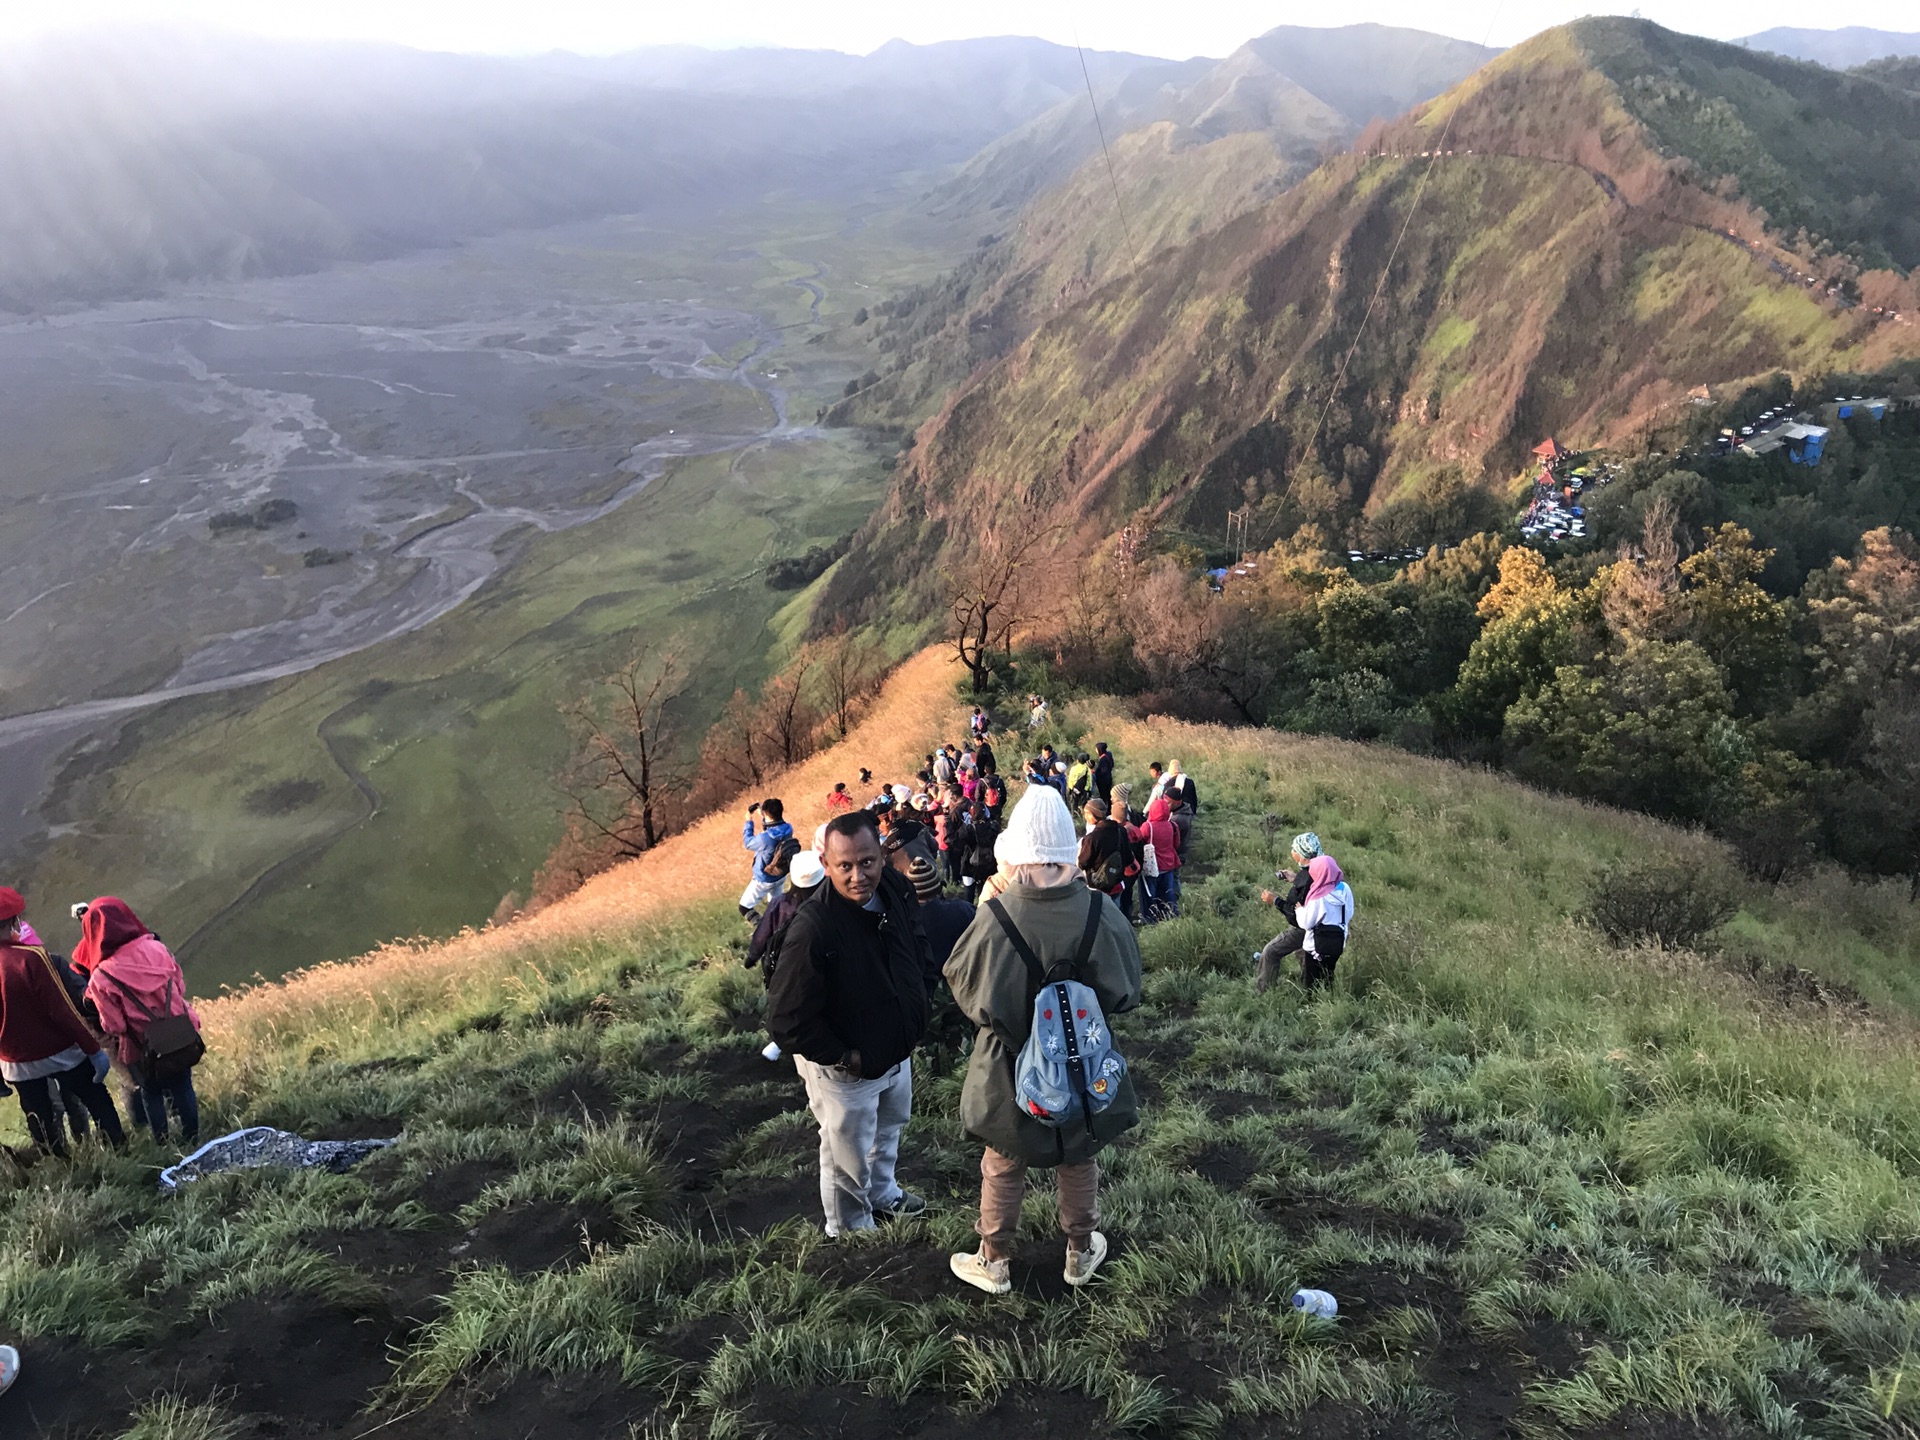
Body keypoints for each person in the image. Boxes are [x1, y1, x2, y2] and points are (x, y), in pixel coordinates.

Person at [944, 787, 1143, 1293]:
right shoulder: (1100, 911)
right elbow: (1124, 992)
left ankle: (994, 1261)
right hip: (1083, 1062)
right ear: (1069, 850)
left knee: (1002, 1162)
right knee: (1079, 1156)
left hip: (1009, 1068)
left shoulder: (995, 915)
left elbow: (969, 993)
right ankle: (1079, 1252)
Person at [766, 811, 932, 1236]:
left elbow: (916, 941)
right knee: (846, 1152)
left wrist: (920, 1001)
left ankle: (883, 1193)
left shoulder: (893, 887)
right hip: (848, 1068)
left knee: (890, 1127)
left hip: (895, 1047)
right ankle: (850, 1227)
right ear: (826, 866)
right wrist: (845, 1056)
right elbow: (785, 1021)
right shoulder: (814, 928)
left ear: (881, 855)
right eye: (845, 866)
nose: (858, 875)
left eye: (867, 862)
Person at [0, 888, 124, 1157]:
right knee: (96, 1097)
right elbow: (62, 1010)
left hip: (14, 1061)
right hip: (57, 1051)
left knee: (38, 1113)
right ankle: (119, 1148)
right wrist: (93, 1050)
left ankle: (59, 1161)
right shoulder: (32, 958)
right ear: (14, 922)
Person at [78, 898, 201, 1145]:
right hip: (179, 1033)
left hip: (141, 1047)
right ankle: (193, 1139)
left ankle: (163, 1144)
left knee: (151, 1093)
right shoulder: (157, 948)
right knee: (183, 1087)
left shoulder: (102, 976)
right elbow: (180, 986)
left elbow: (115, 1027)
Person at [1255, 833, 1322, 992]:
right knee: (1305, 955)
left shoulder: (1308, 877)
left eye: (1294, 848)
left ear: (1301, 854)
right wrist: (1295, 878)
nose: (1292, 851)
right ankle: (1311, 991)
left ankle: (1263, 993)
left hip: (1304, 927)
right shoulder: (1319, 869)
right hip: (1319, 926)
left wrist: (1275, 900)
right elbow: (1307, 885)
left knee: (1271, 952)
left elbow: (1296, 914)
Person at [906, 856, 973, 976]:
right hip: (962, 972)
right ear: (939, 888)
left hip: (926, 978)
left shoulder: (905, 921)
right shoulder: (963, 909)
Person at [1295, 855, 1355, 990]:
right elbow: (1349, 913)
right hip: (1338, 942)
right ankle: (1328, 1002)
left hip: (1315, 946)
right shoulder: (1345, 889)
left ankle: (1310, 1006)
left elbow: (1306, 923)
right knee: (1328, 974)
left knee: (1312, 979)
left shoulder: (1318, 896)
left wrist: (1300, 910)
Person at [1128, 796, 1183, 920]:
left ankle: (1149, 918)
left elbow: (1138, 840)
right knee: (1167, 893)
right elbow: (1177, 844)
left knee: (1148, 894)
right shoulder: (1172, 825)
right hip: (1168, 865)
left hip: (1152, 865)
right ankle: (1169, 915)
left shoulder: (1148, 827)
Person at [740, 798, 795, 919]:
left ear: (766, 813)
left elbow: (748, 843)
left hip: (764, 879)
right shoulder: (788, 828)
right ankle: (779, 927)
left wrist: (749, 821)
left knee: (744, 907)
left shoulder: (765, 838)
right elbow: (774, 829)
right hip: (780, 874)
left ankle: (763, 929)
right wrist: (764, 817)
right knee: (774, 906)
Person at [1078, 799, 1134, 901]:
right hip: (1117, 885)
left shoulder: (1092, 838)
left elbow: (1082, 863)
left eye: (1086, 813)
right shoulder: (1120, 830)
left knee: (1098, 915)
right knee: (1115, 914)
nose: (1085, 816)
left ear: (1092, 815)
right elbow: (1129, 858)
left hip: (1096, 889)